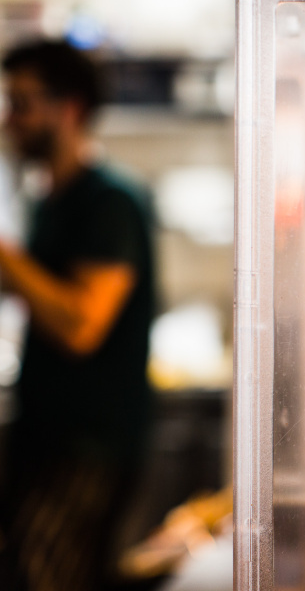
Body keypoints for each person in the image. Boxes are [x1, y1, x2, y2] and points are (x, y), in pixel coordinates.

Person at [0, 39, 155, 591]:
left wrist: (6, 259)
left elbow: (81, 325)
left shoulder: (110, 200)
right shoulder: (51, 201)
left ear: (69, 108)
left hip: (89, 448)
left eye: (21, 103)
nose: (9, 119)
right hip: (46, 438)